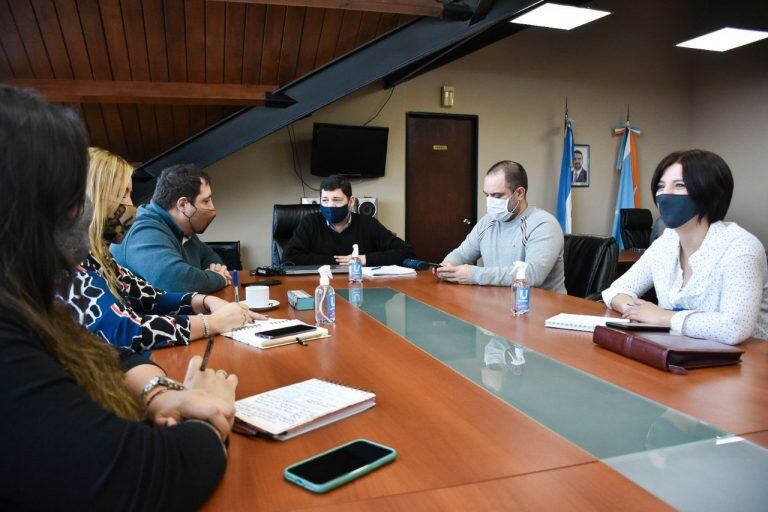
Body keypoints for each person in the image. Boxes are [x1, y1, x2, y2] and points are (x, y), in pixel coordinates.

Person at [0, 85, 237, 509]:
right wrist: (212, 409)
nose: (85, 212)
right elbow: (148, 478)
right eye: (75, 198)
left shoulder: (33, 303)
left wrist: (158, 393)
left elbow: (109, 351)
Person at [62, 148, 263, 353]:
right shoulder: (70, 263)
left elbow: (151, 298)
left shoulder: (99, 257)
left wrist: (205, 301)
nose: (131, 205)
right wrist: (212, 323)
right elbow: (126, 332)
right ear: (93, 199)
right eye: (123, 194)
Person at [602, 149, 767, 345]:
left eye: (679, 186)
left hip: (746, 361)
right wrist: (637, 310)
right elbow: (616, 290)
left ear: (709, 193)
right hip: (678, 349)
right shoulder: (666, 242)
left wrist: (662, 317)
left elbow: (735, 327)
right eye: (661, 186)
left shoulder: (741, 247)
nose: (665, 195)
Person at [437, 161, 566, 292]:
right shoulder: (487, 222)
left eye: (497, 196)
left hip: (541, 307)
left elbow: (532, 274)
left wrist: (474, 275)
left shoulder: (544, 224)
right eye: (487, 195)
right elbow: (462, 254)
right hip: (499, 303)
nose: (490, 201)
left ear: (520, 193)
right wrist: (448, 267)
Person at [112, 164, 231, 293]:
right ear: (183, 204)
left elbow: (210, 257)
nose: (212, 207)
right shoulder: (143, 231)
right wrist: (219, 278)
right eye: (206, 201)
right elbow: (178, 282)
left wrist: (215, 271)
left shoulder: (182, 229)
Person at [281, 174, 415, 266]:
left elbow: (407, 251)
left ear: (351, 202)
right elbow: (289, 258)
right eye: (325, 200)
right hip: (320, 286)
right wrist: (340, 262)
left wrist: (363, 259)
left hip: (361, 288)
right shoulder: (310, 222)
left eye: (337, 200)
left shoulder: (368, 224)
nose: (330, 205)